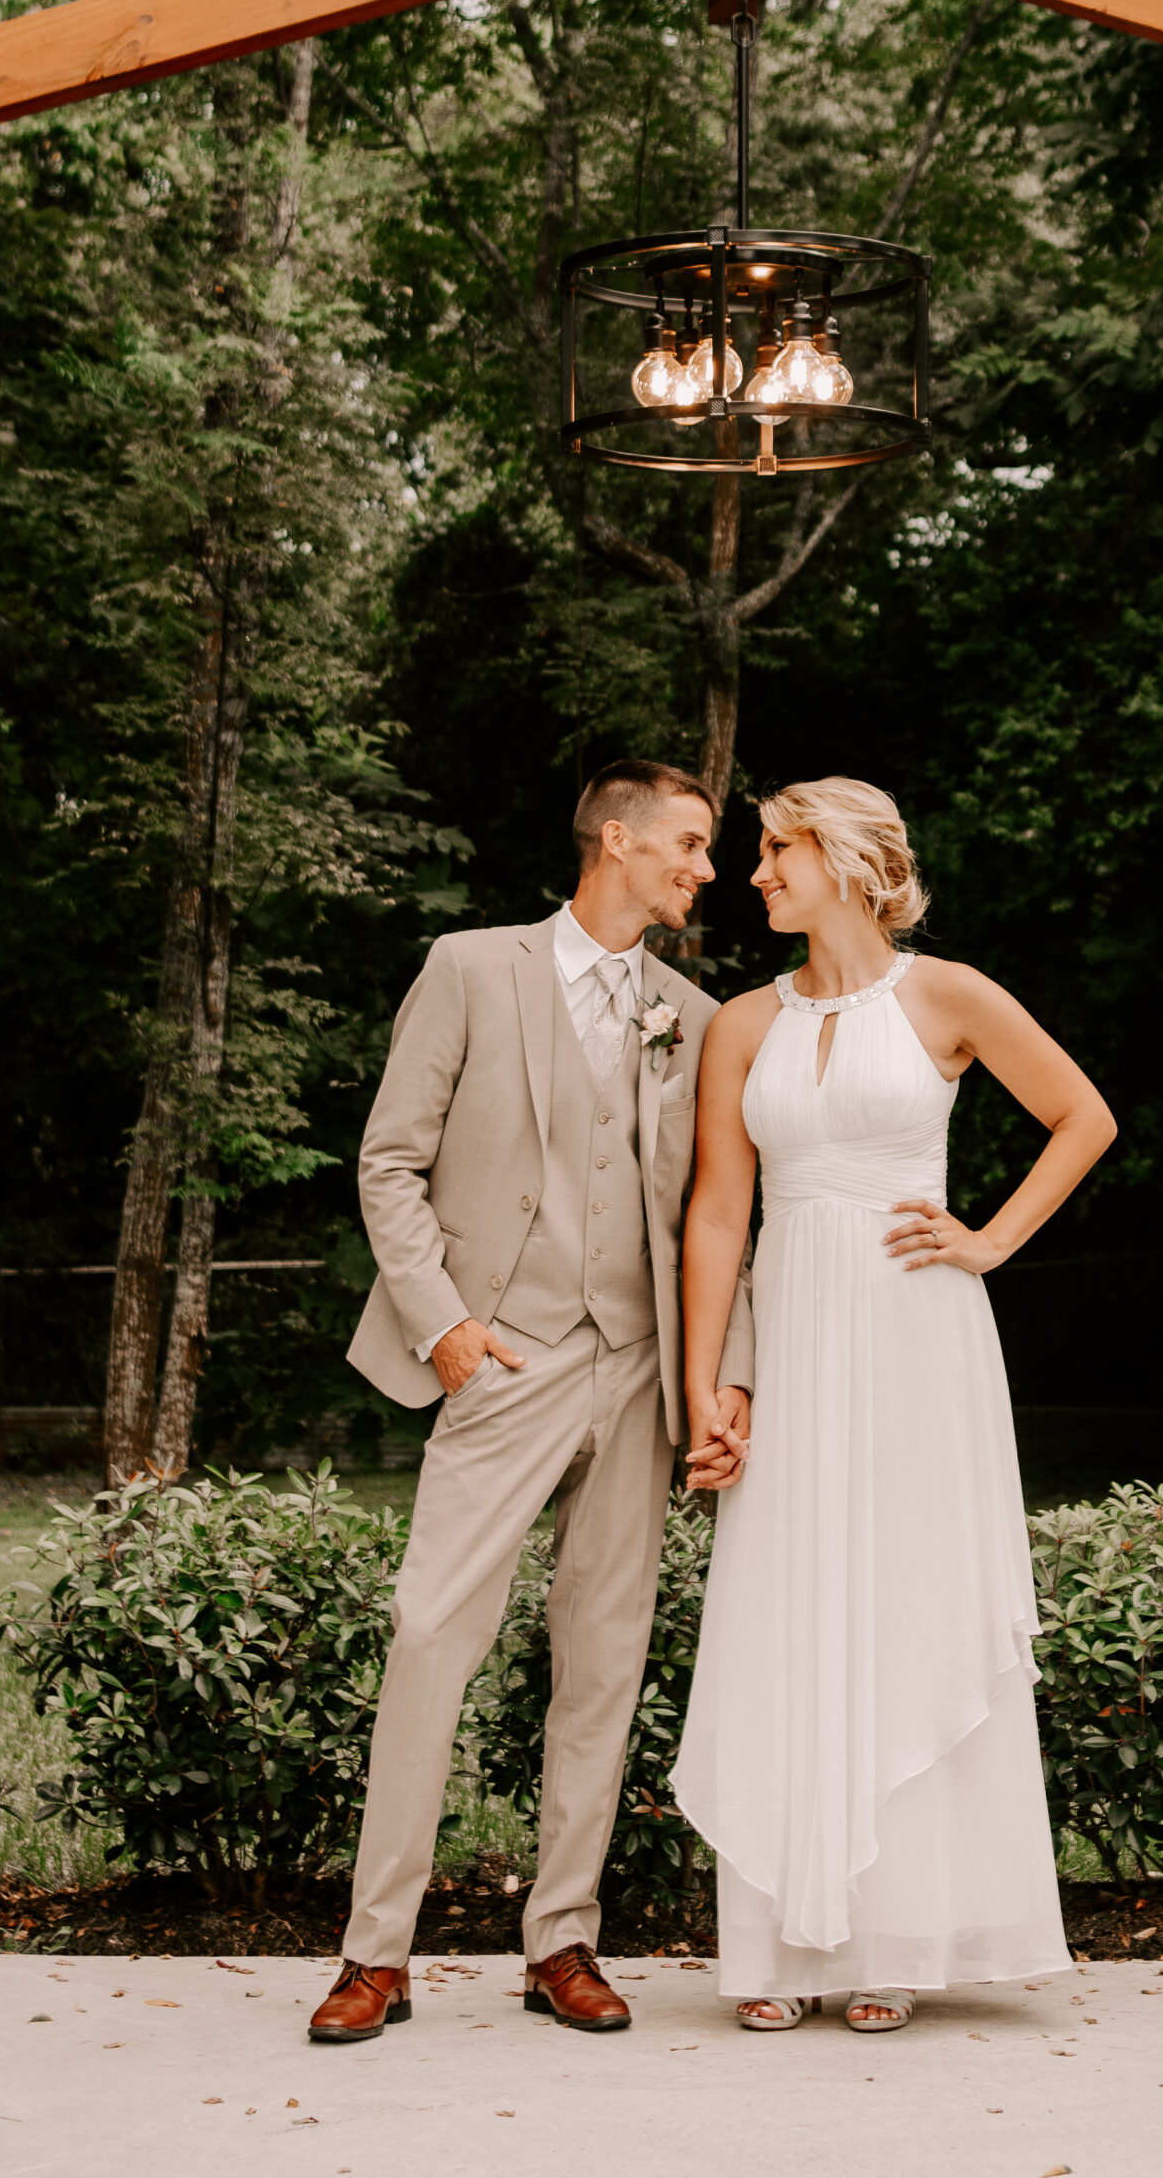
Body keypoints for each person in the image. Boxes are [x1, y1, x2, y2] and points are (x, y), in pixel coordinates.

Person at [310, 760, 753, 2044]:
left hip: (638, 1369)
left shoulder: (693, 1010)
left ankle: (562, 1937)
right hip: (503, 1355)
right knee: (428, 1635)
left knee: (603, 1659)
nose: (703, 867)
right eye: (686, 842)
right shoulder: (469, 966)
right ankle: (373, 1953)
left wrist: (716, 1375)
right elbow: (388, 1158)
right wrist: (444, 1322)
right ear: (614, 839)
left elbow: (715, 1215)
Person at [672, 776, 1115, 2034]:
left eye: (774, 849)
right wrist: (708, 1386)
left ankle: (891, 1943)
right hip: (794, 1335)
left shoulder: (947, 994)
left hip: (917, 1337)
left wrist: (989, 1240)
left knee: (902, 1602)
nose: (753, 873)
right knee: (789, 1604)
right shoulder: (739, 1023)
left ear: (847, 858)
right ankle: (780, 1944)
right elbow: (717, 1209)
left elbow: (1083, 1115)